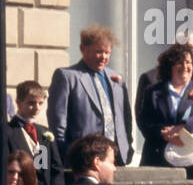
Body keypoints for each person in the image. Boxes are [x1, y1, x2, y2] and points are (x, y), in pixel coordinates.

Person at [47, 25, 134, 166]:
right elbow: (58, 122)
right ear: (83, 49)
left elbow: (126, 118)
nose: (104, 57)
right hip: (83, 160)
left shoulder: (116, 79)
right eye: (98, 52)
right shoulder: (67, 77)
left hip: (116, 159)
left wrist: (128, 146)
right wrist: (66, 155)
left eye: (108, 53)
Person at [136, 43, 193, 179]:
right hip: (160, 157)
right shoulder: (153, 92)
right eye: (179, 62)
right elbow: (145, 122)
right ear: (170, 66)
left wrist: (183, 128)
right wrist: (162, 132)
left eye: (188, 62)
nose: (185, 67)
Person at [7, 79, 64, 185]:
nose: (37, 107)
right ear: (18, 103)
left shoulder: (44, 132)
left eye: (40, 103)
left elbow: (55, 168)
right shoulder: (7, 131)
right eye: (31, 103)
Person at [135, 30, 193, 115]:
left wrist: (185, 127)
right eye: (189, 48)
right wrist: (162, 128)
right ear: (176, 48)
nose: (192, 54)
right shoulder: (150, 78)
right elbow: (142, 116)